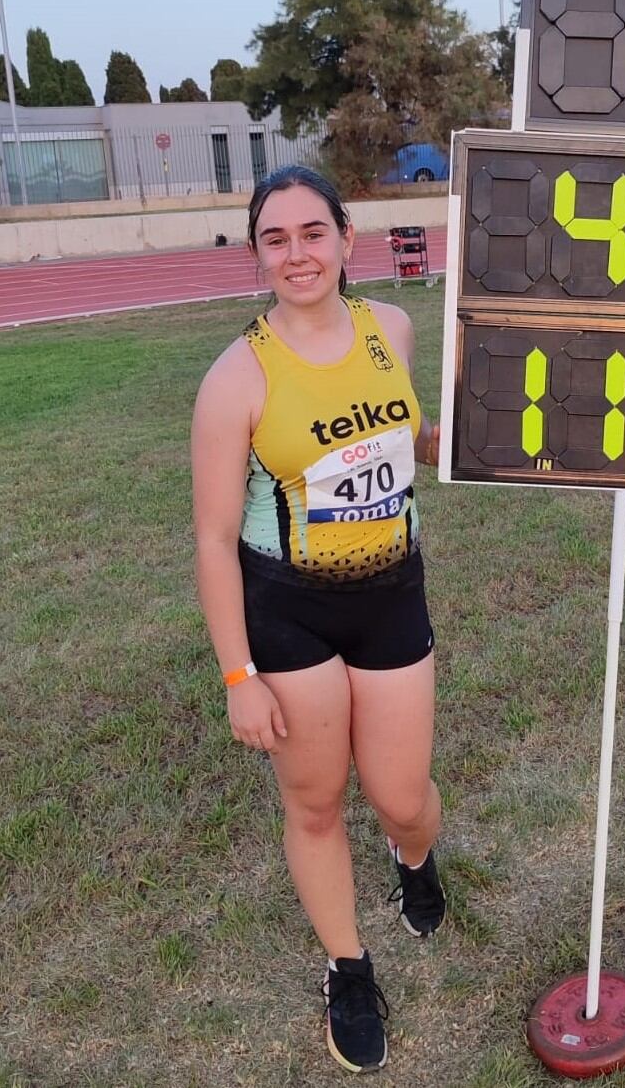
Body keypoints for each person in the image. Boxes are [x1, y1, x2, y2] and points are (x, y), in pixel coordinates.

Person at [191, 165, 445, 1074]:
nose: (296, 253)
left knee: (403, 796)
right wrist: (237, 676)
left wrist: (434, 442)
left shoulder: (394, 329)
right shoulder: (236, 378)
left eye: (311, 232)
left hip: (390, 590)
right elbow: (215, 539)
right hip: (289, 610)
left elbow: (393, 433)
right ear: (258, 255)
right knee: (315, 800)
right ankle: (348, 964)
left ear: (346, 238)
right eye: (275, 238)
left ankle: (414, 858)